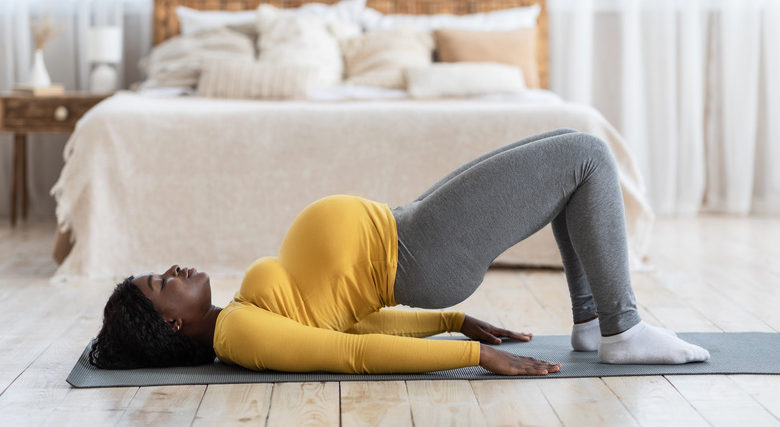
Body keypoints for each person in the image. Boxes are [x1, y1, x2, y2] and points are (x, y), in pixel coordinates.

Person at [89, 128, 710, 375]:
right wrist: (470, 357)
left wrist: (451, 321)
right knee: (588, 157)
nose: (173, 271)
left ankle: (592, 323)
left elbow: (354, 316)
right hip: (418, 249)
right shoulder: (241, 335)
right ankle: (621, 329)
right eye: (160, 283)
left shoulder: (242, 312)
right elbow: (350, 351)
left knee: (570, 157)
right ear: (171, 322)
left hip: (411, 227)